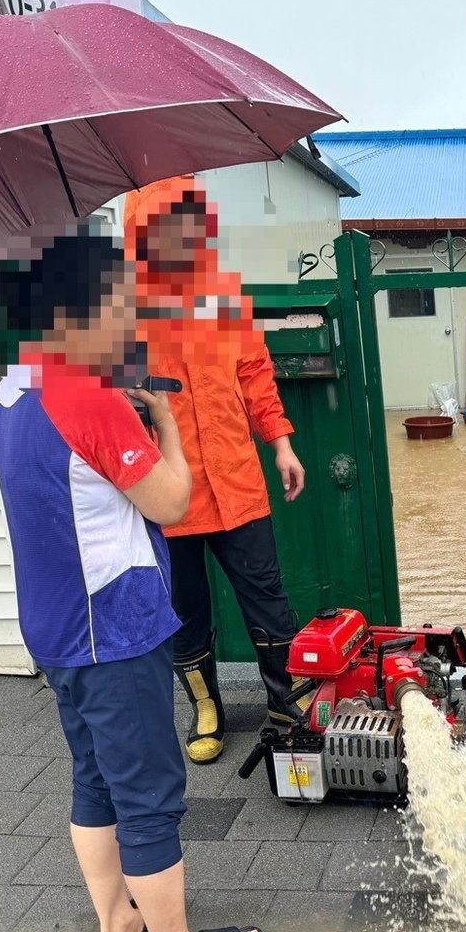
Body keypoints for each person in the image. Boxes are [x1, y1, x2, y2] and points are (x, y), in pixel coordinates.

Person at [0, 227, 268, 932]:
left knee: (95, 779)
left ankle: (119, 927)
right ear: (76, 313)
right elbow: (172, 502)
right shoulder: (89, 399)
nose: (131, 323)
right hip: (112, 627)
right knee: (148, 792)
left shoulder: (14, 386)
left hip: (52, 629)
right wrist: (167, 431)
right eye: (119, 306)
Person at [123, 177, 310, 765]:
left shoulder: (223, 294)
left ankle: (287, 704)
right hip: (167, 491)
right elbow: (108, 404)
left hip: (236, 482)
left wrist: (280, 442)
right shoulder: (120, 309)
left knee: (268, 600)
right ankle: (208, 711)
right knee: (184, 610)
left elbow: (255, 374)